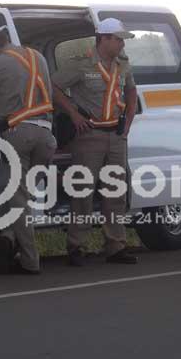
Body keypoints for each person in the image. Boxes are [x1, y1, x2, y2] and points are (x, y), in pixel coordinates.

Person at [0, 24, 57, 274]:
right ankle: (8, 235)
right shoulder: (37, 56)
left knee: (18, 200)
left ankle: (30, 262)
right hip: (47, 136)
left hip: (19, 135)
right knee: (24, 192)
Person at [51, 18, 138, 266]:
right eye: (118, 39)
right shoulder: (81, 64)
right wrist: (73, 113)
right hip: (89, 135)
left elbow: (131, 91)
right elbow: (53, 86)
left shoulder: (123, 64)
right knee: (83, 191)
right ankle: (76, 246)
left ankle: (116, 246)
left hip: (116, 135)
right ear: (104, 39)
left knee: (116, 192)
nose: (122, 44)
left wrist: (128, 122)